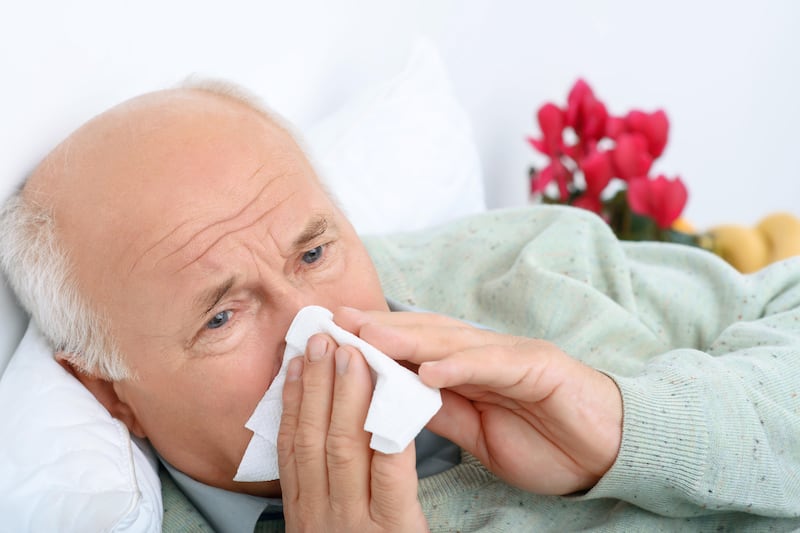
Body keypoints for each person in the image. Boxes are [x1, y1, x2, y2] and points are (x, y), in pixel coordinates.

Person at [1, 81, 799, 533]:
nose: (312, 330)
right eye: (222, 316)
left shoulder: (526, 262)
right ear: (111, 393)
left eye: (314, 252)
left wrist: (628, 424)